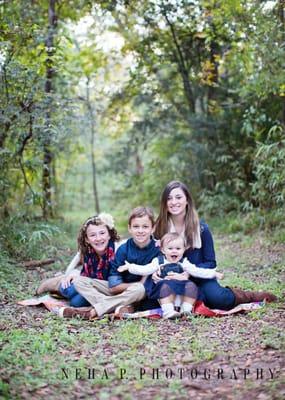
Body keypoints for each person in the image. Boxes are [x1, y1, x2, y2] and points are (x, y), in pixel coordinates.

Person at [153, 180, 277, 310]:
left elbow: (210, 263)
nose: (174, 202)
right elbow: (154, 257)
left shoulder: (201, 229)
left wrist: (187, 273)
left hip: (199, 277)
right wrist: (155, 271)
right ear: (165, 204)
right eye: (169, 198)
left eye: (178, 197)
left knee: (218, 299)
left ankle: (248, 296)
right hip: (169, 279)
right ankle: (195, 299)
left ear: (187, 201)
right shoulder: (159, 228)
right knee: (151, 300)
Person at [61, 206, 160, 319]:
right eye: (136, 226)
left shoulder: (158, 249)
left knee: (140, 289)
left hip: (138, 294)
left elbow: (149, 285)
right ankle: (110, 305)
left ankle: (94, 311)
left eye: (145, 227)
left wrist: (139, 285)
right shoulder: (123, 249)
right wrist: (137, 284)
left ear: (153, 228)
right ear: (129, 228)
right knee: (78, 282)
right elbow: (113, 286)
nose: (140, 231)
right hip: (120, 290)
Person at [118, 232, 223, 318]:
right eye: (170, 248)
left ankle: (186, 310)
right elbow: (145, 269)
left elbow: (197, 271)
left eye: (178, 249)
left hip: (181, 292)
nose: (174, 251)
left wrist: (213, 273)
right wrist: (130, 267)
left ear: (183, 250)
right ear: (163, 250)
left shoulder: (184, 262)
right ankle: (168, 312)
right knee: (165, 287)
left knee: (192, 286)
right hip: (165, 294)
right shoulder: (158, 261)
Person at [36, 213, 119, 308]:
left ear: (109, 235)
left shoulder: (117, 250)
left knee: (76, 303)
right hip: (87, 283)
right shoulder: (87, 251)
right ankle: (55, 283)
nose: (98, 238)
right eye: (92, 235)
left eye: (102, 233)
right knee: (66, 289)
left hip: (104, 287)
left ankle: (67, 287)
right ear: (87, 239)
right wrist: (72, 274)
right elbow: (71, 268)